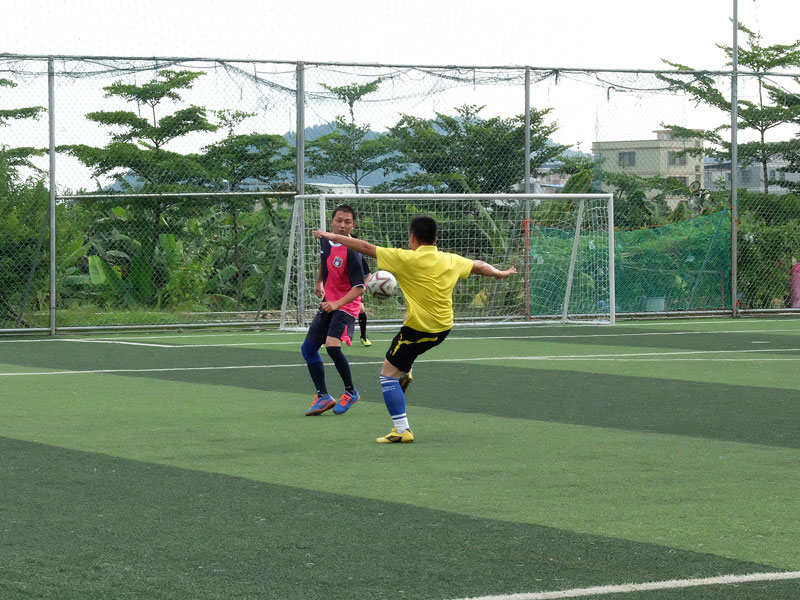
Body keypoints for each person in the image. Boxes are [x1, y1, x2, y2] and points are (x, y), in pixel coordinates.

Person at [314, 214, 516, 443]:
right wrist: (500, 273)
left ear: (412, 238)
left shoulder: (405, 258)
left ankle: (402, 430)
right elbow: (478, 265)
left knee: (387, 376)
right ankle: (405, 371)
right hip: (443, 328)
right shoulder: (451, 260)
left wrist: (332, 236)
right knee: (404, 353)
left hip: (419, 330)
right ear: (435, 240)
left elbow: (365, 247)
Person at [302, 205, 366, 416]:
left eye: (347, 222)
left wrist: (337, 303)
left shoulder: (353, 251)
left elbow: (359, 287)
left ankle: (351, 392)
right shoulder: (325, 240)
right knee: (308, 348)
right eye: (339, 220)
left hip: (346, 305)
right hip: (329, 301)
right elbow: (325, 260)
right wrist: (319, 281)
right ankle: (323, 396)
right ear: (332, 222)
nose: (342, 225)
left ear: (353, 225)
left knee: (331, 346)